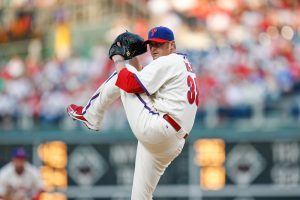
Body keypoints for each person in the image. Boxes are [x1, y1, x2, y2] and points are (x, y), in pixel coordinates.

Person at [67, 26, 198, 199]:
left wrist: (118, 59)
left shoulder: (169, 61)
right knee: (140, 197)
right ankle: (92, 115)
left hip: (159, 128)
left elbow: (129, 83)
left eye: (159, 45)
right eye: (151, 45)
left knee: (123, 75)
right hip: (172, 141)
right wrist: (134, 56)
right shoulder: (179, 63)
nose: (153, 49)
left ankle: (92, 115)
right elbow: (142, 84)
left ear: (172, 46)